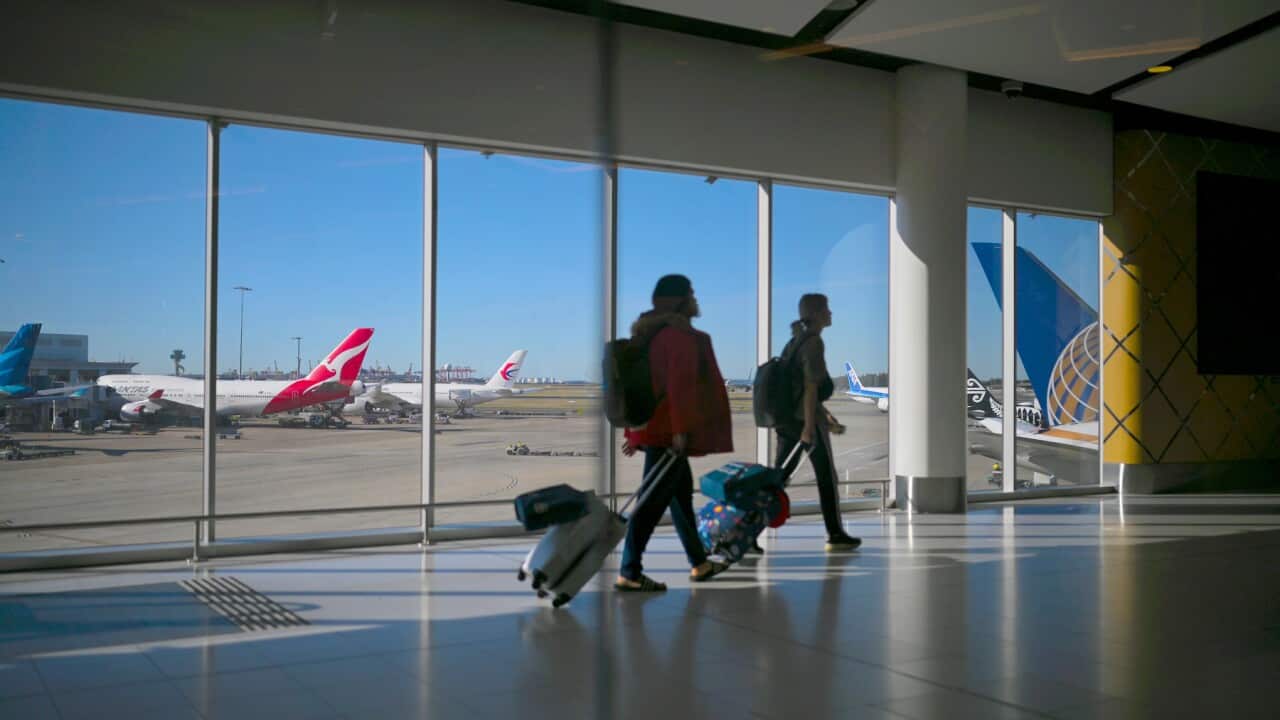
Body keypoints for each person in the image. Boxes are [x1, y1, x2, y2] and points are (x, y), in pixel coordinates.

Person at [617, 274, 733, 592]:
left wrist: (634, 431)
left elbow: (641, 387)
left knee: (680, 498)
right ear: (677, 299)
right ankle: (629, 570)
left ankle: (699, 563)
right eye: (691, 293)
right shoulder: (677, 337)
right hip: (669, 434)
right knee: (650, 506)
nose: (696, 299)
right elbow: (679, 388)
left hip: (657, 430)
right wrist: (681, 431)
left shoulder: (649, 335)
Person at [774, 293, 862, 551]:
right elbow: (811, 387)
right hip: (805, 424)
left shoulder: (794, 342)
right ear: (816, 314)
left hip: (789, 422)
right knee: (827, 478)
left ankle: (744, 528)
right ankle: (835, 534)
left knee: (778, 480)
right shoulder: (813, 343)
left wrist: (826, 416)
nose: (831, 313)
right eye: (827, 309)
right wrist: (810, 427)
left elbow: (799, 389)